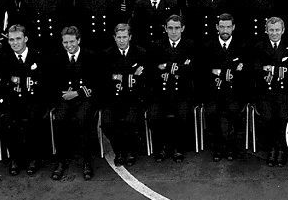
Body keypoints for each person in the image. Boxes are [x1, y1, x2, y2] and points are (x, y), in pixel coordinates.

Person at [0, 24, 50, 176]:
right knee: (8, 121)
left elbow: (44, 83)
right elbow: (1, 83)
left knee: (33, 120)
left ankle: (34, 158)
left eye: (18, 38)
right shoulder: (4, 59)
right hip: (13, 100)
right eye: (11, 39)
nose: (15, 42)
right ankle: (15, 158)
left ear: (25, 39)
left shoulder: (38, 56)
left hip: (34, 100)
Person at [249, 17, 288, 167]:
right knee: (268, 118)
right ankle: (272, 149)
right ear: (266, 31)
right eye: (271, 30)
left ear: (283, 30)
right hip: (266, 92)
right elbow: (257, 69)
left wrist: (270, 68)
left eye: (277, 30)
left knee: (284, 117)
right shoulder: (259, 47)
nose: (274, 33)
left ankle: (282, 149)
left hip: (286, 93)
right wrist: (279, 69)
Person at [50, 26, 98, 181]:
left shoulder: (90, 56)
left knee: (82, 119)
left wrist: (77, 92)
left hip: (84, 98)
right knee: (60, 119)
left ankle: (86, 161)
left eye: (72, 41)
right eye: (65, 42)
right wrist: (63, 94)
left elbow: (96, 82)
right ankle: (61, 160)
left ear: (79, 40)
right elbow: (53, 82)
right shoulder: (57, 58)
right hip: (65, 98)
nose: (69, 45)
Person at [148, 16, 195, 163]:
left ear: (182, 28)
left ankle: (178, 148)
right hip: (161, 92)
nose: (173, 31)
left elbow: (191, 70)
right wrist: (179, 67)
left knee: (182, 115)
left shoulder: (190, 45)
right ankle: (161, 147)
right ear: (165, 28)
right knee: (154, 116)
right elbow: (153, 70)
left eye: (176, 28)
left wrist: (166, 66)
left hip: (182, 92)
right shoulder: (157, 45)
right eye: (170, 28)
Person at [200, 14, 246, 161]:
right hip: (213, 92)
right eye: (222, 27)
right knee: (212, 112)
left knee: (233, 111)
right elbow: (204, 71)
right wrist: (230, 69)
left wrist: (219, 70)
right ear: (217, 27)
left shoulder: (242, 45)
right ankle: (218, 148)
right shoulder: (207, 46)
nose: (225, 30)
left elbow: (244, 72)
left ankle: (232, 148)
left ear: (233, 27)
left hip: (235, 92)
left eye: (228, 27)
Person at [101, 24, 146, 167]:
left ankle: (131, 151)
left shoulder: (140, 53)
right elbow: (106, 79)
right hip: (113, 98)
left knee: (130, 121)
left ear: (130, 37)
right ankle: (119, 150)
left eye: (124, 37)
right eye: (119, 37)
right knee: (107, 123)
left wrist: (120, 76)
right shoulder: (107, 55)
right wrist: (131, 74)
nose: (122, 40)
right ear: (114, 38)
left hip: (134, 97)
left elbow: (143, 78)